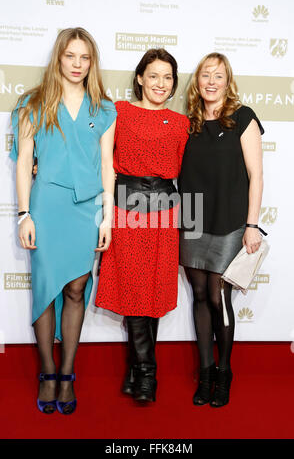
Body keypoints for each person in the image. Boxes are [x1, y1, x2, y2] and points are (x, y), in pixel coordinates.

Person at [10, 27, 116, 414]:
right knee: (44, 290)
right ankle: (48, 370)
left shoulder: (105, 107)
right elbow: (23, 162)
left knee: (76, 290)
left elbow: (107, 165)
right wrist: (24, 214)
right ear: (59, 58)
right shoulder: (32, 103)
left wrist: (107, 217)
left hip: (87, 210)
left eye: (85, 57)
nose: (77, 64)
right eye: (70, 56)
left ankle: (68, 372)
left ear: (92, 62)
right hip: (47, 207)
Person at [95, 49, 189, 403]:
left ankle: (137, 370)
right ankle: (148, 372)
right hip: (128, 207)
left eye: (167, 77)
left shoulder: (181, 123)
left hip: (166, 212)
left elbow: (187, 171)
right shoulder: (120, 111)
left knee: (153, 289)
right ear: (140, 78)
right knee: (134, 286)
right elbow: (100, 157)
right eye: (153, 76)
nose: (160, 84)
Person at [178, 52, 264, 407]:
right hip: (193, 216)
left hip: (229, 219)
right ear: (197, 81)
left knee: (219, 297)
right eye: (205, 75)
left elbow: (256, 175)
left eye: (219, 76)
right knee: (199, 296)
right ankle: (207, 371)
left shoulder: (243, 118)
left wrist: (252, 225)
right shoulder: (190, 123)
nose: (211, 82)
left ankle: (225, 371)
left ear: (228, 82)